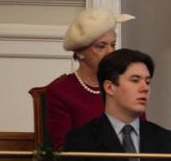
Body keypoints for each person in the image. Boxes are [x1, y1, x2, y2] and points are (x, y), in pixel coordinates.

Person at [45, 8, 134, 150]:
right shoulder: (61, 92)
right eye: (101, 46)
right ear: (80, 52)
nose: (111, 52)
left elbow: (142, 139)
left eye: (113, 45)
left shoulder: (126, 87)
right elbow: (64, 148)